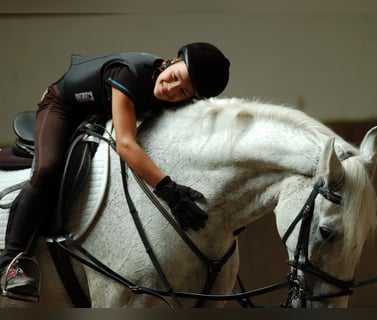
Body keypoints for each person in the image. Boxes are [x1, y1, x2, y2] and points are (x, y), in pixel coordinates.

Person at [0, 42, 230, 297]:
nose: (171, 89)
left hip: (98, 111)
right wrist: (169, 190)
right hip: (63, 106)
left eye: (183, 91)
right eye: (175, 78)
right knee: (47, 169)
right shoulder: (128, 74)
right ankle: (10, 264)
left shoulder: (169, 91)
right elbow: (126, 145)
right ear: (171, 62)